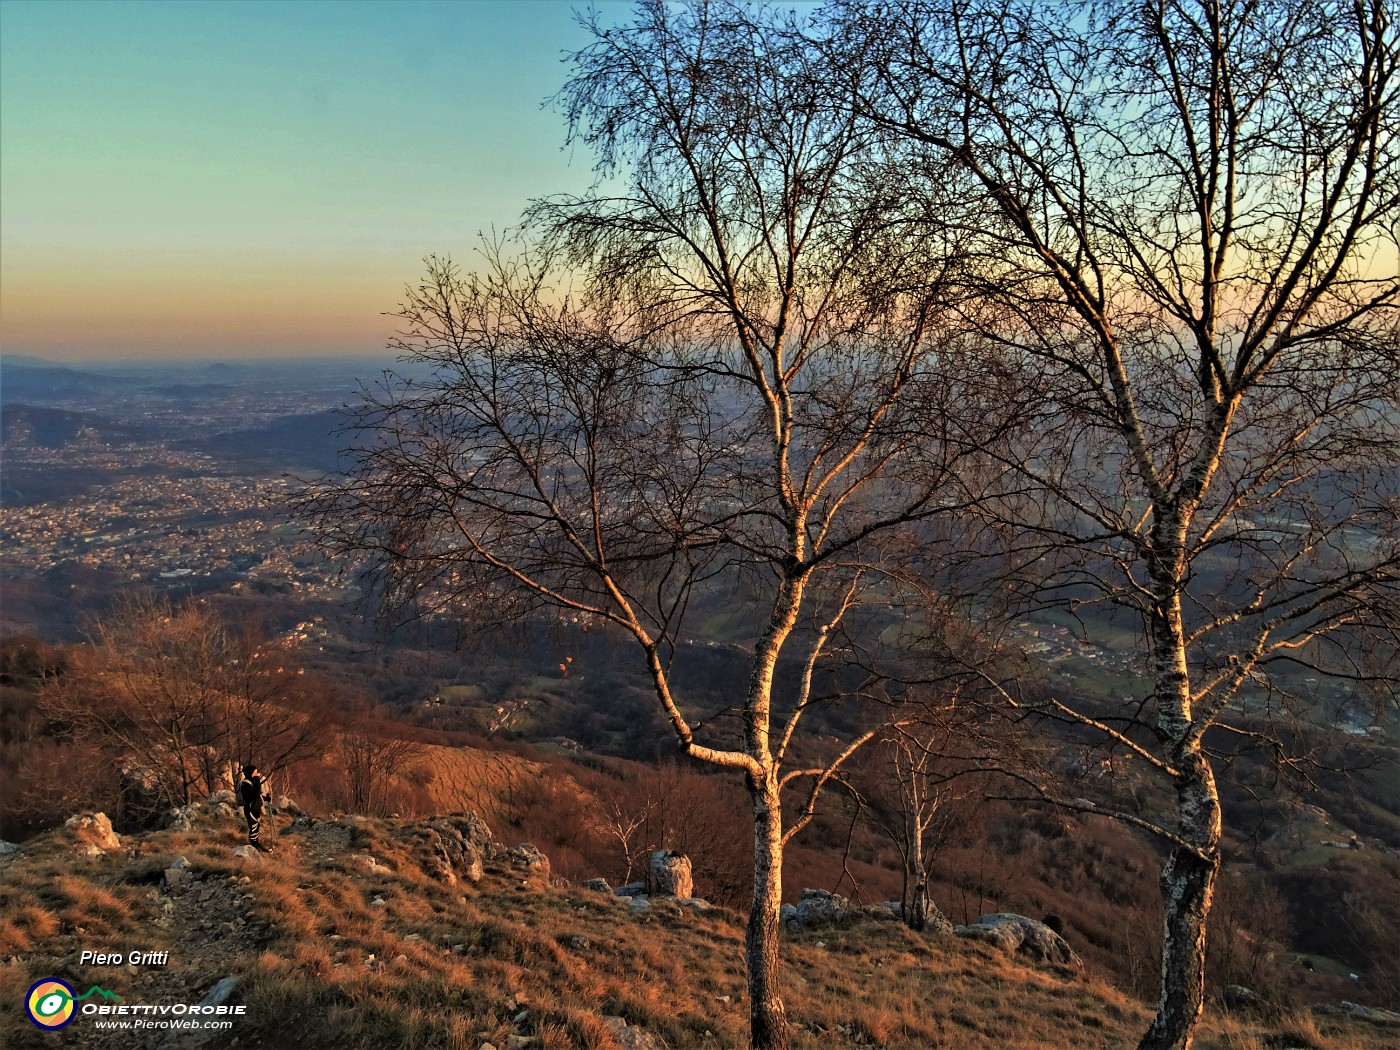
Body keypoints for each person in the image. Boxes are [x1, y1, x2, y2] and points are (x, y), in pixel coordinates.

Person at [238, 763, 271, 851]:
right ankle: (254, 845)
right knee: (253, 826)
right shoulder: (245, 784)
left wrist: (265, 798)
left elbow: (257, 796)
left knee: (256, 826)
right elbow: (253, 796)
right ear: (251, 773)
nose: (257, 774)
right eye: (255, 772)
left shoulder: (251, 782)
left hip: (255, 808)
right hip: (250, 809)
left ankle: (257, 844)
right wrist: (258, 784)